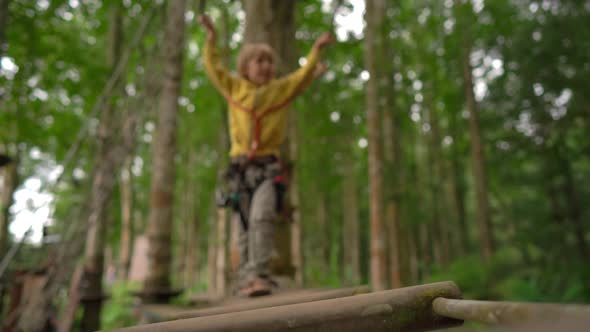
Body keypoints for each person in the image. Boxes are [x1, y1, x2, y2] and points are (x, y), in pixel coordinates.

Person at [198, 14, 333, 297]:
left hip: (269, 168)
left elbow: (300, 77)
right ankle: (246, 279)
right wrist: (211, 39)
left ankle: (260, 274)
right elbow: (213, 67)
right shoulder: (235, 87)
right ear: (245, 67)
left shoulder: (278, 90)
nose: (266, 66)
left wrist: (316, 51)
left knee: (262, 217)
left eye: (269, 61)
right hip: (240, 170)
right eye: (259, 61)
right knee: (244, 227)